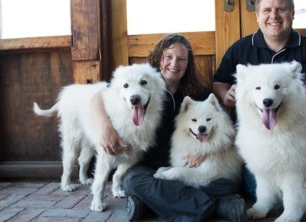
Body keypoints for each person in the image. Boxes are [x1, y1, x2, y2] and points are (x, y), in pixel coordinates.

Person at [90, 33, 246, 222]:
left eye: (182, 59)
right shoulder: (144, 81)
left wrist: (206, 152)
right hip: (147, 164)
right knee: (133, 182)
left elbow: (228, 133)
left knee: (224, 184)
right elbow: (96, 98)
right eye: (169, 57)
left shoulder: (198, 93)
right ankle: (215, 206)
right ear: (159, 58)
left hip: (188, 166)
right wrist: (105, 127)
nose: (174, 64)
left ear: (188, 63)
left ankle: (150, 204)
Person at [213, 0, 306, 199]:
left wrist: (282, 96)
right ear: (257, 15)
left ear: (292, 13)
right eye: (267, 10)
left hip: (295, 134)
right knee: (252, 189)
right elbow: (219, 82)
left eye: (281, 9)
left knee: (282, 187)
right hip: (253, 136)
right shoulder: (240, 48)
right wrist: (227, 95)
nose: (273, 16)